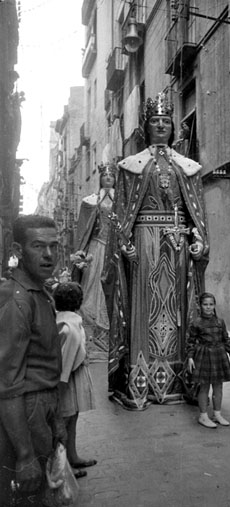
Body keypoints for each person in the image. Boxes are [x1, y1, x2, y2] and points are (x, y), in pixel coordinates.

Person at [106, 91, 209, 410]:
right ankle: (140, 383)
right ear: (146, 126)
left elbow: (197, 213)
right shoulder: (130, 167)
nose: (161, 126)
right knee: (143, 305)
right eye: (155, 121)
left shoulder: (187, 167)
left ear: (173, 126)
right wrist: (125, 243)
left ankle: (180, 379)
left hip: (177, 246)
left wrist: (199, 239)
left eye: (166, 121)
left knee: (176, 309)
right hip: (145, 244)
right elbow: (123, 211)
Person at [0, 215, 66, 506]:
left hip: (42, 409)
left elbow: (47, 364)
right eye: (38, 246)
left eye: (54, 246)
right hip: (26, 412)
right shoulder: (18, 300)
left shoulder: (40, 292)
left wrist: (58, 421)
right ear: (17, 249)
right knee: (27, 495)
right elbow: (7, 384)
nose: (48, 255)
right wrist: (25, 454)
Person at [73, 163, 116, 361]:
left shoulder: (121, 202)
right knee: (91, 285)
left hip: (114, 248)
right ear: (100, 179)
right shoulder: (90, 202)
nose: (108, 178)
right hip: (96, 247)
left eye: (111, 175)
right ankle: (91, 328)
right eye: (105, 175)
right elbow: (84, 228)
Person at [53, 282, 97, 478]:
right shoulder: (70, 328)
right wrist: (58, 395)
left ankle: (72, 456)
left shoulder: (65, 320)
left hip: (72, 376)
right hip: (68, 380)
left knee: (73, 417)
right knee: (65, 419)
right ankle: (62, 467)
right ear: (78, 302)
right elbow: (65, 364)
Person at [186, 292, 230, 428]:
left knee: (218, 386)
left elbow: (225, 338)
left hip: (219, 355)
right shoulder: (196, 323)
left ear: (214, 305)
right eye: (205, 305)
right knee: (204, 386)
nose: (208, 307)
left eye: (211, 304)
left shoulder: (220, 321)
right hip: (204, 355)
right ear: (200, 306)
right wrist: (190, 357)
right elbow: (190, 342)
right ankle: (203, 416)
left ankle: (217, 414)